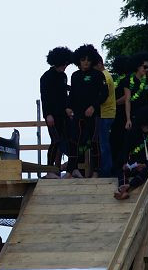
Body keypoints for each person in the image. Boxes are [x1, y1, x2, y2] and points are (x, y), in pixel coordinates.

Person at [69, 45, 108, 178]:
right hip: (78, 115)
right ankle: (72, 169)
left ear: (92, 60)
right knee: (75, 141)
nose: (85, 62)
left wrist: (93, 107)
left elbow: (104, 94)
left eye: (88, 59)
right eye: (83, 59)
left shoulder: (98, 75)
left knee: (94, 142)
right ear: (78, 61)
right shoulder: (74, 76)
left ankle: (96, 172)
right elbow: (72, 95)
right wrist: (68, 107)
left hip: (94, 115)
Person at [114, 106, 148, 200]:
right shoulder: (132, 133)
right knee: (122, 170)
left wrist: (145, 165)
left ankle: (127, 187)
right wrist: (125, 163)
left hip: (147, 166)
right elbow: (125, 150)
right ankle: (123, 189)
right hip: (133, 164)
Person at [40, 46, 74, 178]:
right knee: (55, 141)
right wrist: (48, 114)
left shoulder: (63, 76)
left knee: (65, 141)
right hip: (52, 115)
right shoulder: (46, 77)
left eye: (66, 64)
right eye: (63, 64)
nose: (65, 66)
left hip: (63, 114)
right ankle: (49, 170)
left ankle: (58, 169)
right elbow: (45, 97)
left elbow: (64, 94)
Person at [93, 51, 115, 178]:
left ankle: (105, 171)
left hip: (105, 113)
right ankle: (105, 169)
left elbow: (104, 97)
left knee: (103, 145)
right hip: (109, 113)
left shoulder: (104, 77)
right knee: (104, 143)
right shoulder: (107, 75)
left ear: (100, 64)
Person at [123, 52, 148, 131]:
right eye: (145, 67)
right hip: (134, 114)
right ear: (138, 66)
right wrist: (128, 119)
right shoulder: (128, 80)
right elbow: (127, 100)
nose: (147, 69)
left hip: (147, 113)